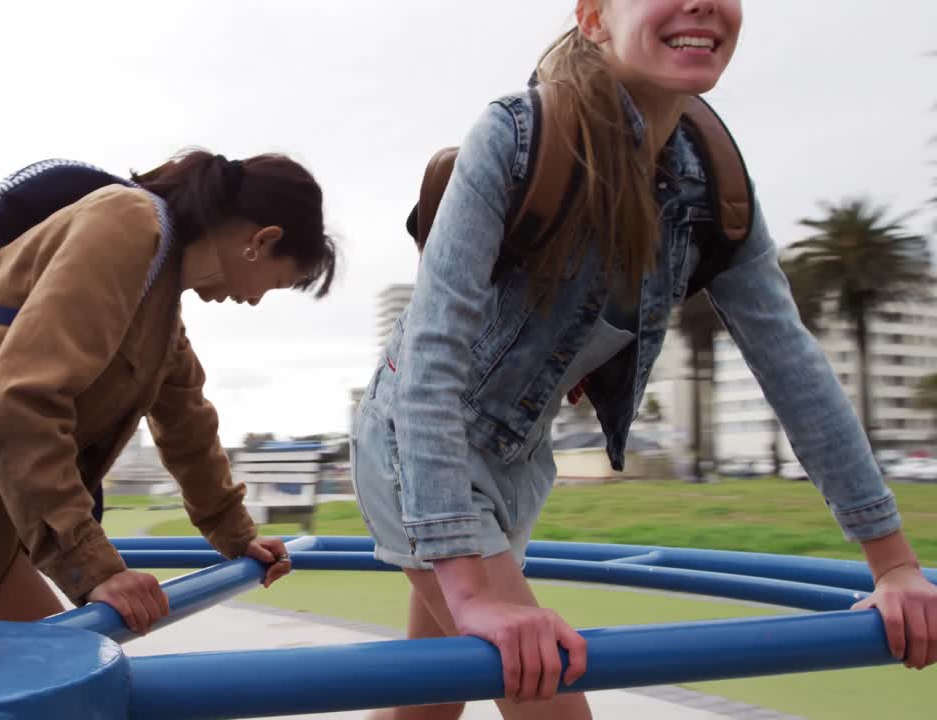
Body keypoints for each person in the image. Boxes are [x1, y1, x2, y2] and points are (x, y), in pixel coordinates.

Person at [352, 2, 937, 718]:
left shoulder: (714, 182)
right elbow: (433, 357)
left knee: (432, 694)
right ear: (595, 18)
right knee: (546, 683)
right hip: (416, 446)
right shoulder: (514, 137)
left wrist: (895, 565)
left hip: (516, 458)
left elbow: (792, 365)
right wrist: (471, 589)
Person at [0, 150, 338, 631]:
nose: (256, 301)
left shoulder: (160, 307)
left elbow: (187, 426)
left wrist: (237, 536)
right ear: (261, 241)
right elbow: (22, 403)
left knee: (31, 680)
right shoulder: (128, 223)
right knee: (54, 681)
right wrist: (95, 569)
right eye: (276, 281)